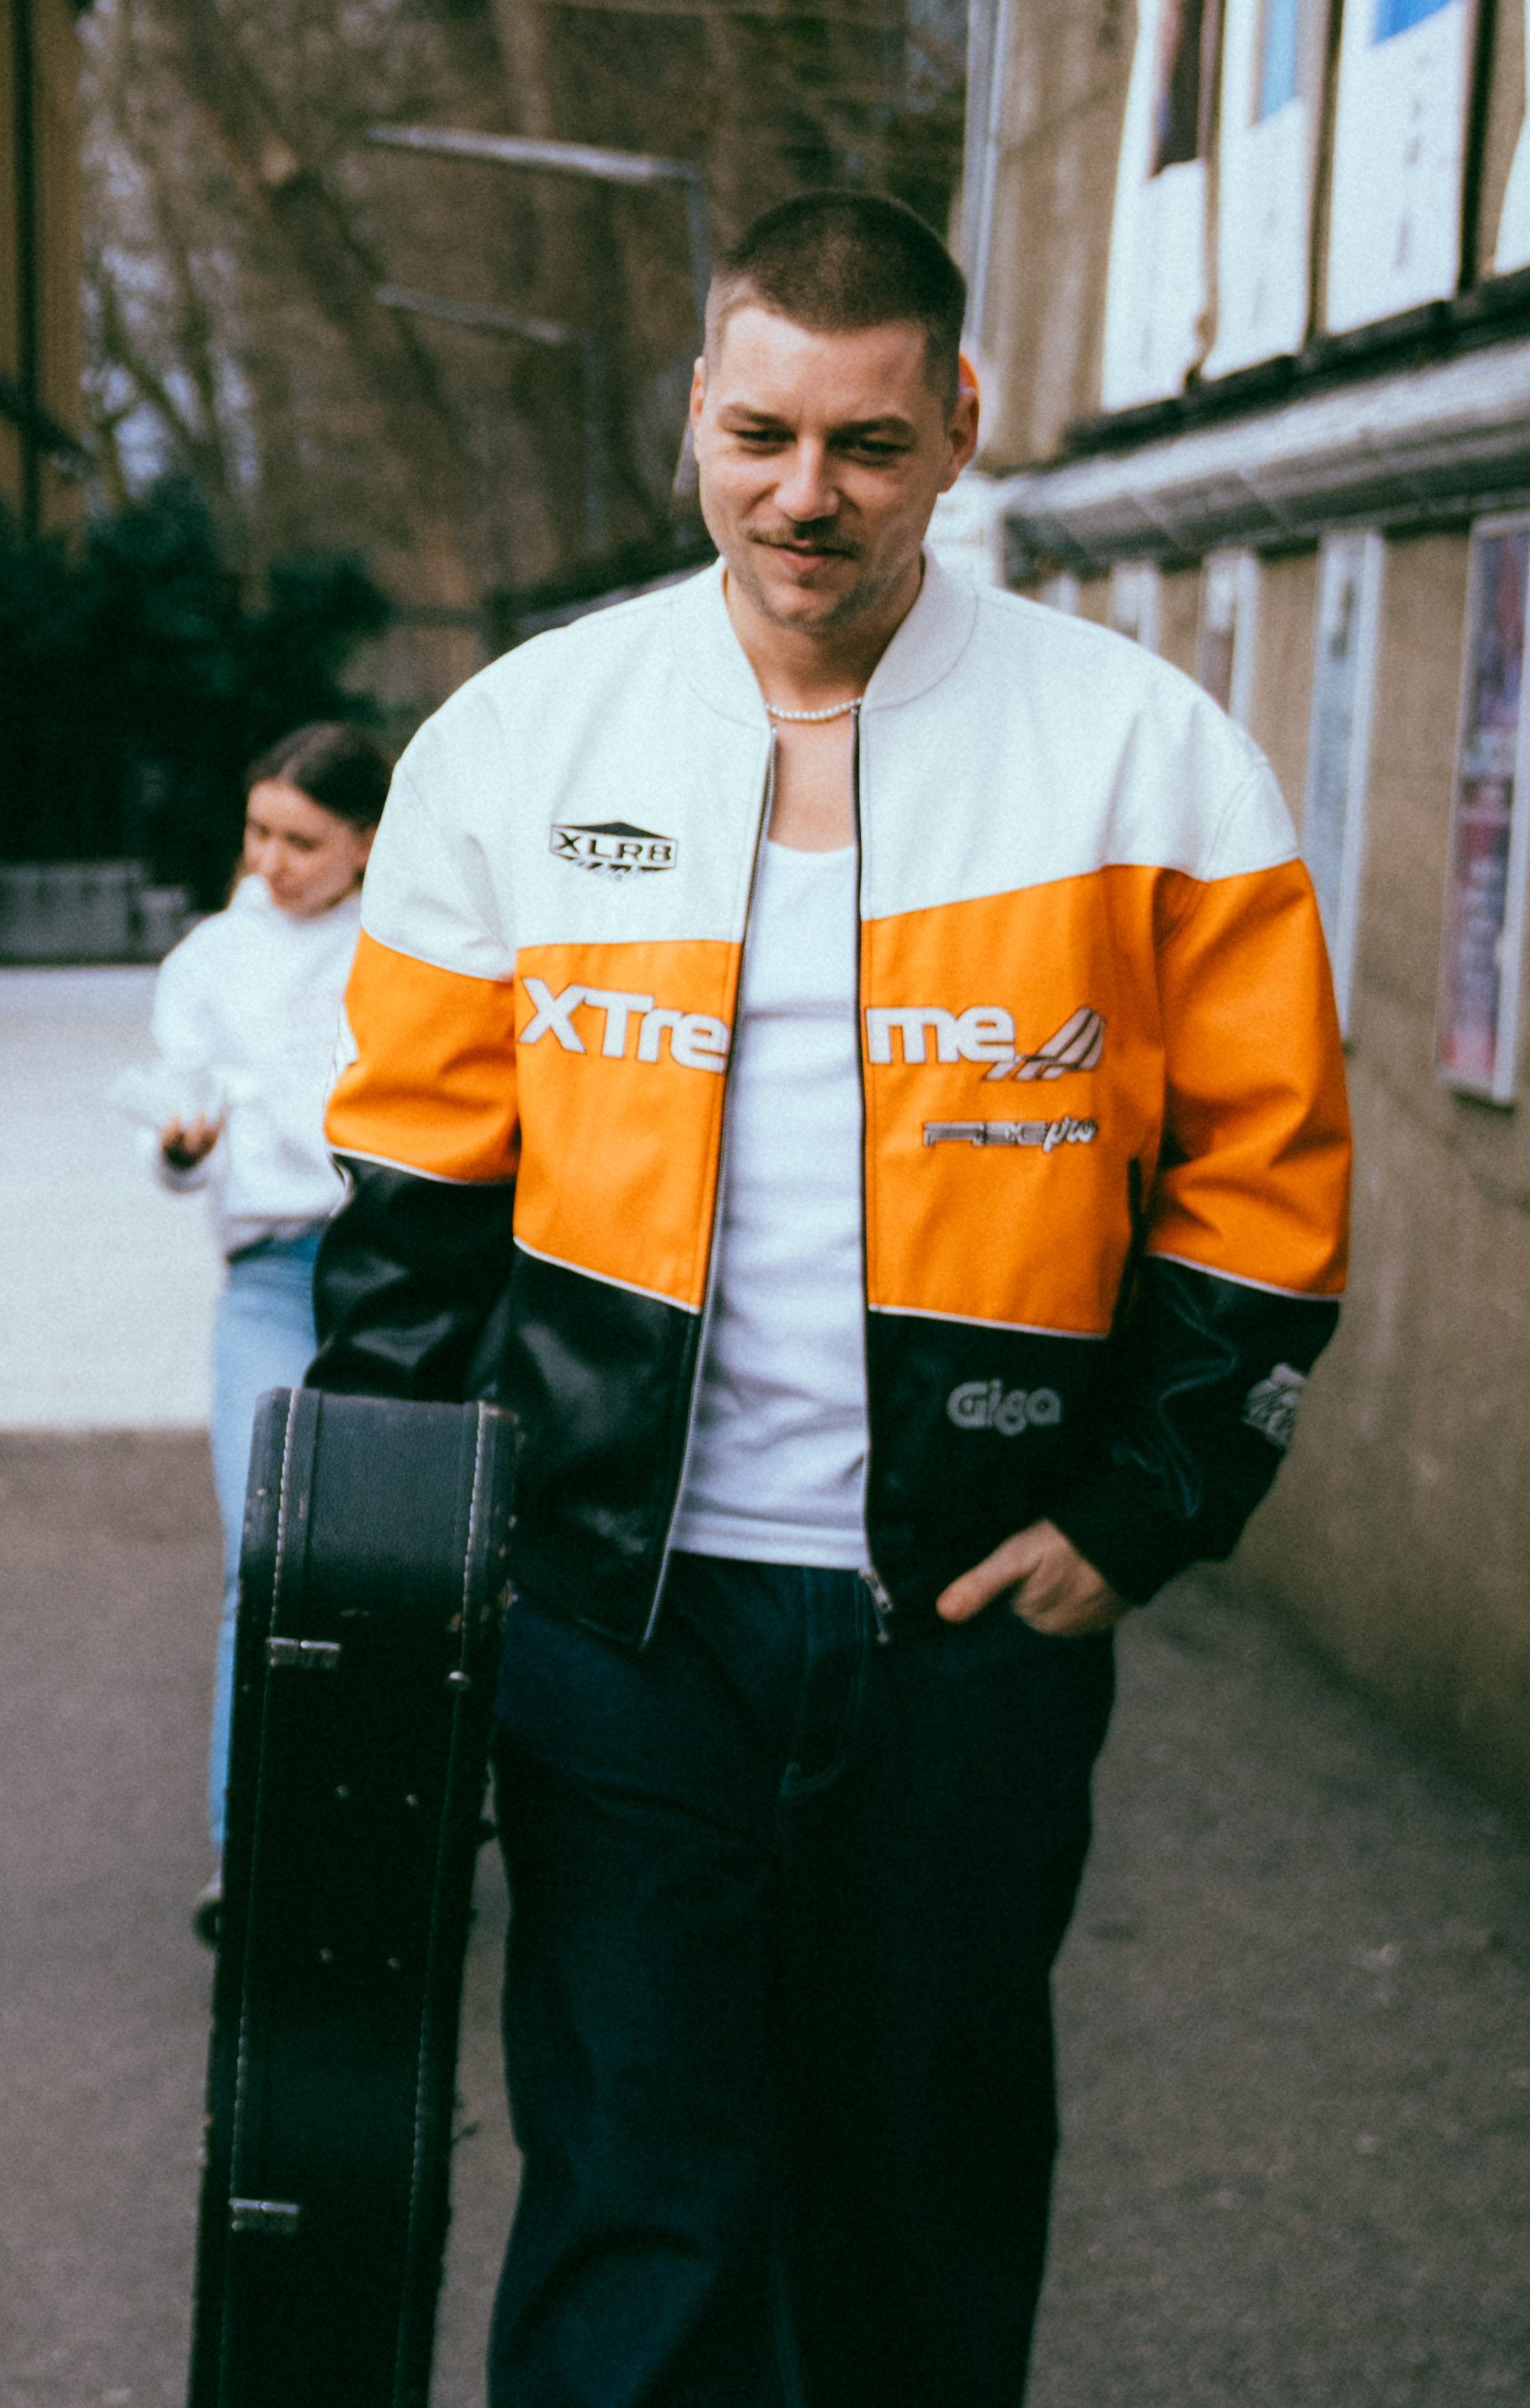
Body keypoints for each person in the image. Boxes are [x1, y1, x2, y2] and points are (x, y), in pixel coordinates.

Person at [311, 192, 1350, 2405]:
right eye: (761, 434)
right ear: (693, 409)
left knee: (919, 2199)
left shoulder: (1144, 756)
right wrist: (399, 1583)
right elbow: (408, 1213)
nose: (807, 495)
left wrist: (1141, 1510)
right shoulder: (518, 737)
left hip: (963, 1627)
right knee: (636, 2191)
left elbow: (1261, 1191)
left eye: (868, 444)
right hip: (614, 1623)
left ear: (957, 424)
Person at [145, 721, 385, 1938]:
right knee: (270, 1550)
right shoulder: (208, 960)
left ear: (365, 844)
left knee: (400, 1562)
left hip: (395, 1273)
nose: (271, 861)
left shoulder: (409, 946)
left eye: (302, 840)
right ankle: (247, 1851)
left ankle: (399, 1823)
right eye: (258, 832)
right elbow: (177, 1138)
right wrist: (182, 1145)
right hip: (273, 1276)